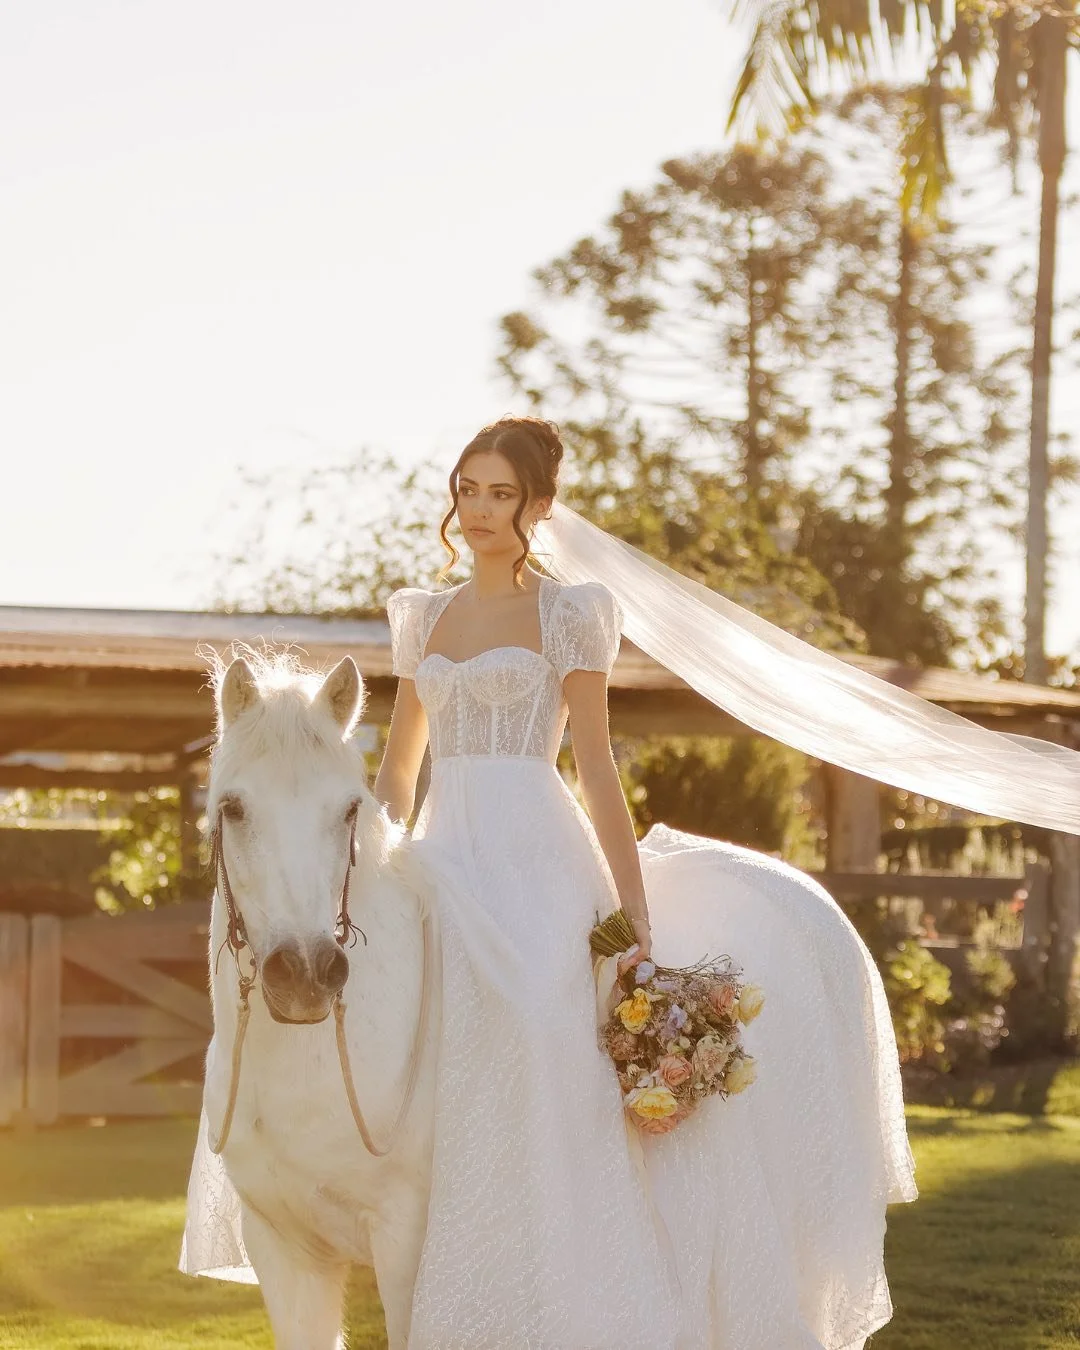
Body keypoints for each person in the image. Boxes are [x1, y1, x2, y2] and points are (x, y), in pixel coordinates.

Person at [372, 414, 918, 1350]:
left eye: (503, 493)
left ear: (538, 507)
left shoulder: (569, 613)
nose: (481, 510)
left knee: (547, 1062)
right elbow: (397, 765)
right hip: (441, 858)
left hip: (540, 860)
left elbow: (596, 765)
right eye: (469, 488)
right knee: (449, 1074)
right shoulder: (422, 614)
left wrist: (632, 910)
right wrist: (374, 863)